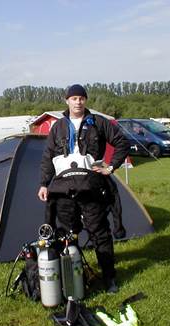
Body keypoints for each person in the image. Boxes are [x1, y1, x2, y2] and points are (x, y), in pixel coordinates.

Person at [37, 84, 130, 293]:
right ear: (66, 101)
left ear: (85, 101)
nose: (78, 102)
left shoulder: (98, 122)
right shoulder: (58, 127)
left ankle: (109, 278)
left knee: (100, 232)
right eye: (74, 98)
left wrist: (111, 166)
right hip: (64, 189)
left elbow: (122, 142)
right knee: (67, 233)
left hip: (92, 187)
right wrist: (44, 184)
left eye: (81, 98)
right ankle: (73, 275)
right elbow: (47, 157)